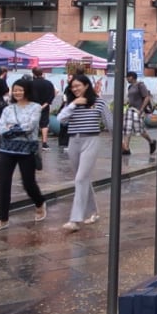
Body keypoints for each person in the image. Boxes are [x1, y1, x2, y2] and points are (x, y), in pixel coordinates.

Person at [0, 77, 47, 231]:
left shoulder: (35, 107)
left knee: (28, 183)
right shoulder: (8, 109)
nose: (17, 92)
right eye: (15, 90)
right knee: (3, 183)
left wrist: (11, 128)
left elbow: (30, 126)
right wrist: (13, 129)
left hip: (27, 150)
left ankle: (40, 202)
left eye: (20, 89)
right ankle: (3, 219)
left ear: (27, 90)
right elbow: (2, 128)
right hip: (7, 150)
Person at [57, 73, 112, 232]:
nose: (75, 89)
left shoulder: (99, 102)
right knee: (82, 179)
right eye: (72, 87)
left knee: (80, 179)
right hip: (74, 141)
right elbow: (60, 119)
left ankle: (75, 219)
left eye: (78, 86)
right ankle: (93, 212)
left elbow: (110, 122)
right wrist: (73, 104)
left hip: (91, 140)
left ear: (86, 85)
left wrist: (120, 142)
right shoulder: (71, 103)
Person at [122, 72, 156, 156]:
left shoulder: (140, 85)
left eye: (128, 77)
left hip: (137, 110)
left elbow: (147, 97)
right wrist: (127, 102)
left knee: (139, 129)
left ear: (132, 77)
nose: (126, 79)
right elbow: (132, 98)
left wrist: (141, 109)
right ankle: (126, 148)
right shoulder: (130, 87)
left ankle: (151, 142)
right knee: (127, 128)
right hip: (130, 109)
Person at [30, 67, 57, 150]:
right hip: (45, 107)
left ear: (33, 74)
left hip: (32, 107)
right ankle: (44, 143)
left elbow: (28, 96)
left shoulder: (30, 84)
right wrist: (44, 105)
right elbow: (52, 95)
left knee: (32, 124)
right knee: (44, 124)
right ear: (42, 73)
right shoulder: (49, 83)